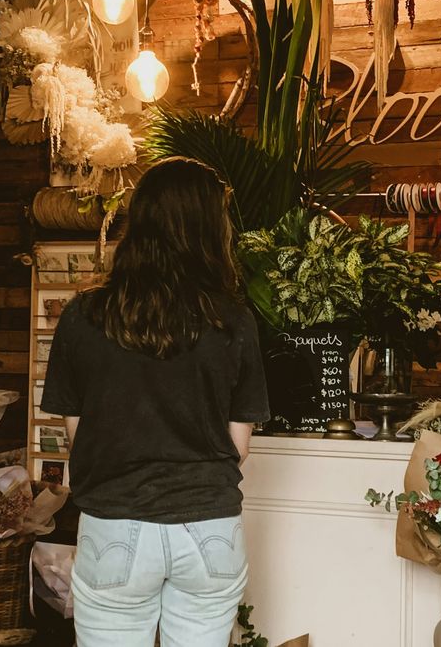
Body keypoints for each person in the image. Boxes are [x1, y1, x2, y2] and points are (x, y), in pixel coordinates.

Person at [42, 158, 270, 647]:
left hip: (115, 526)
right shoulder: (233, 320)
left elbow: (80, 434)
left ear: (139, 221)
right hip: (209, 527)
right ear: (211, 229)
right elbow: (239, 446)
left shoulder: (83, 316)